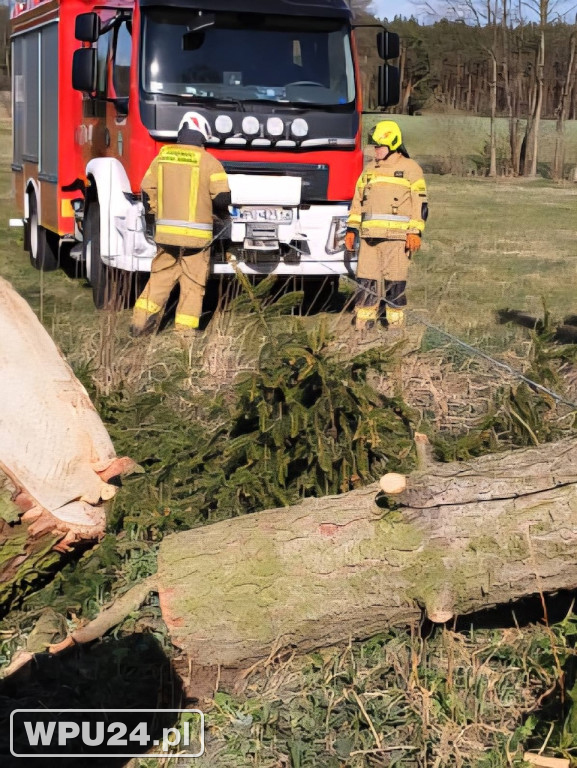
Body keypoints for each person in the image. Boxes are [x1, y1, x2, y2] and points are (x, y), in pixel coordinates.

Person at [130, 112, 231, 336]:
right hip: (197, 240)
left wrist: (152, 218)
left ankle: (139, 325)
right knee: (193, 286)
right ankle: (183, 337)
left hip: (166, 237)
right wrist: (223, 218)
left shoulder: (161, 158)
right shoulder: (210, 162)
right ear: (203, 135)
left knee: (159, 279)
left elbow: (147, 192)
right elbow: (222, 198)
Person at [345, 120, 428, 331]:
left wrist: (415, 232)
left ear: (393, 145)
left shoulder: (410, 169)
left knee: (395, 282)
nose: (376, 150)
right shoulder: (369, 170)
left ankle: (395, 325)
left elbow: (421, 202)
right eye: (374, 146)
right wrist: (352, 229)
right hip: (369, 237)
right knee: (366, 280)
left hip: (398, 239)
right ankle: (363, 323)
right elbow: (357, 201)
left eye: (380, 146)